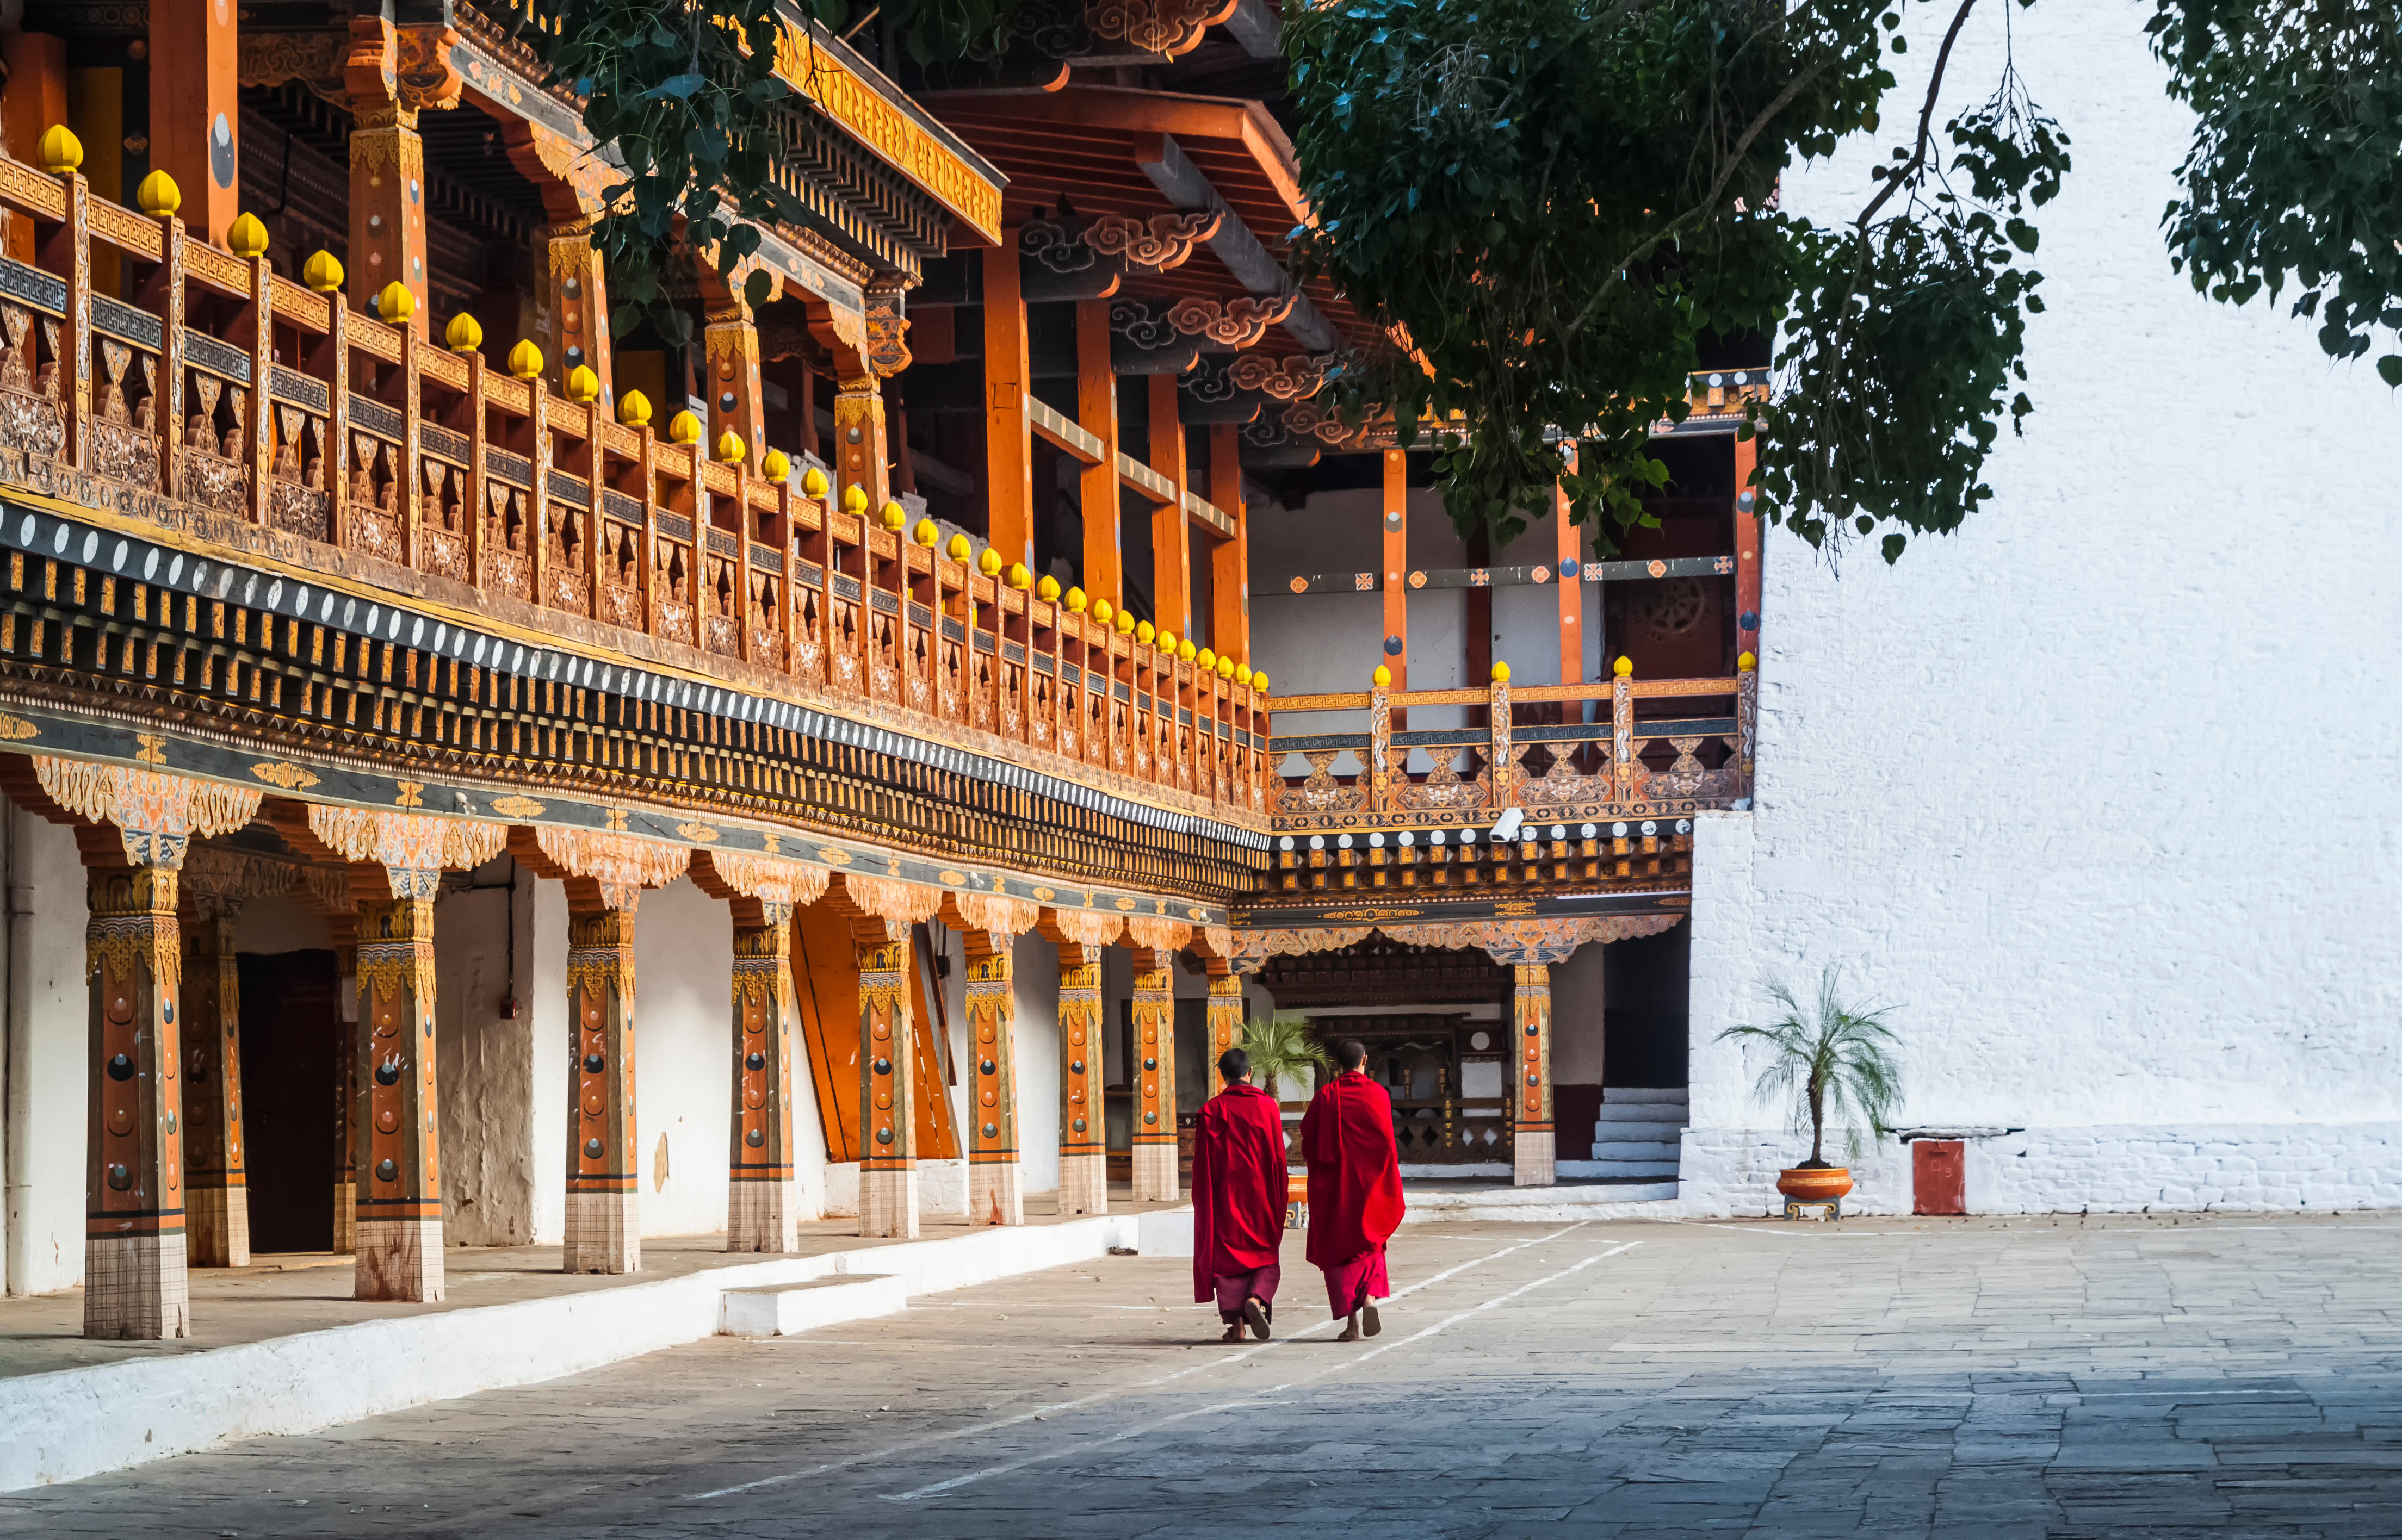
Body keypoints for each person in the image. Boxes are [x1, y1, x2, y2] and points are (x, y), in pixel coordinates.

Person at [1302, 1038, 1405, 1342]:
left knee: (1340, 1249)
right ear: (1365, 1061)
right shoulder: (1378, 1094)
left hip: (1336, 1188)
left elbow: (1308, 1141)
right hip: (1370, 1185)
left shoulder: (1325, 1096)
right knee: (1369, 1243)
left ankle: (1351, 1325)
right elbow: (1387, 1143)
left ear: (1336, 1065)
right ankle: (1370, 1298)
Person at [1190, 1046, 1290, 1343]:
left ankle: (1237, 1328)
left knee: (1228, 1260)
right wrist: (1280, 1200)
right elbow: (1277, 1160)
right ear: (1250, 1072)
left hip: (1226, 1198)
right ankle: (1257, 1299)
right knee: (1264, 1254)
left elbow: (1203, 1167)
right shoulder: (1268, 1107)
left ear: (1223, 1076)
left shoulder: (1211, 1111)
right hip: (1261, 1196)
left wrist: (1205, 1203)